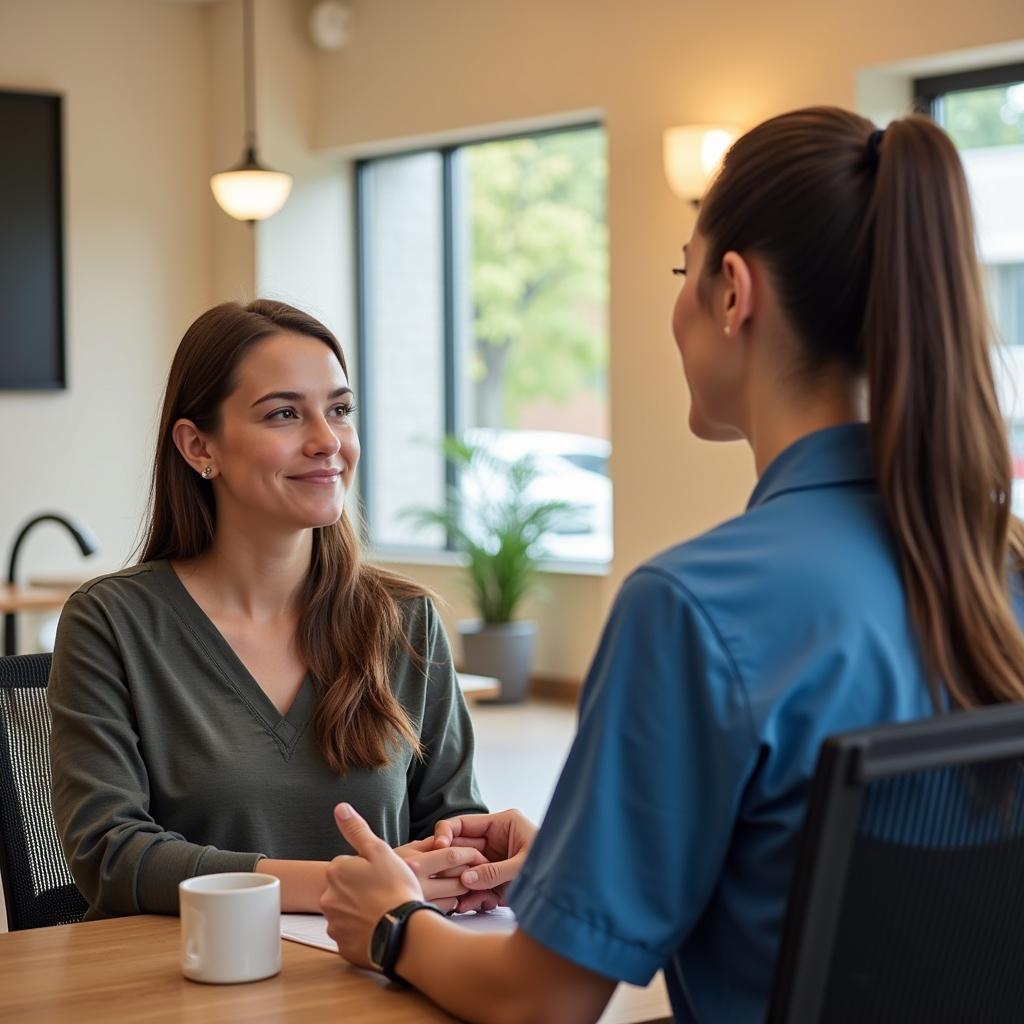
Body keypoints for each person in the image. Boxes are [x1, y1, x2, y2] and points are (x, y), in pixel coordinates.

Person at [318, 106, 1024, 1023]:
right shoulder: (996, 572)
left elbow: (542, 1002)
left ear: (735, 292)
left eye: (683, 269)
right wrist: (582, 866)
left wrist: (392, 922)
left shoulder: (695, 607)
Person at [49, 299, 493, 919]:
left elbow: (452, 824)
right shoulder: (111, 623)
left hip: (371, 979)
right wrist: (343, 885)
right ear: (199, 445)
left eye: (340, 410)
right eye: (285, 414)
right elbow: (112, 855)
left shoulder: (405, 620)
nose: (326, 441)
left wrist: (467, 858)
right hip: (182, 989)